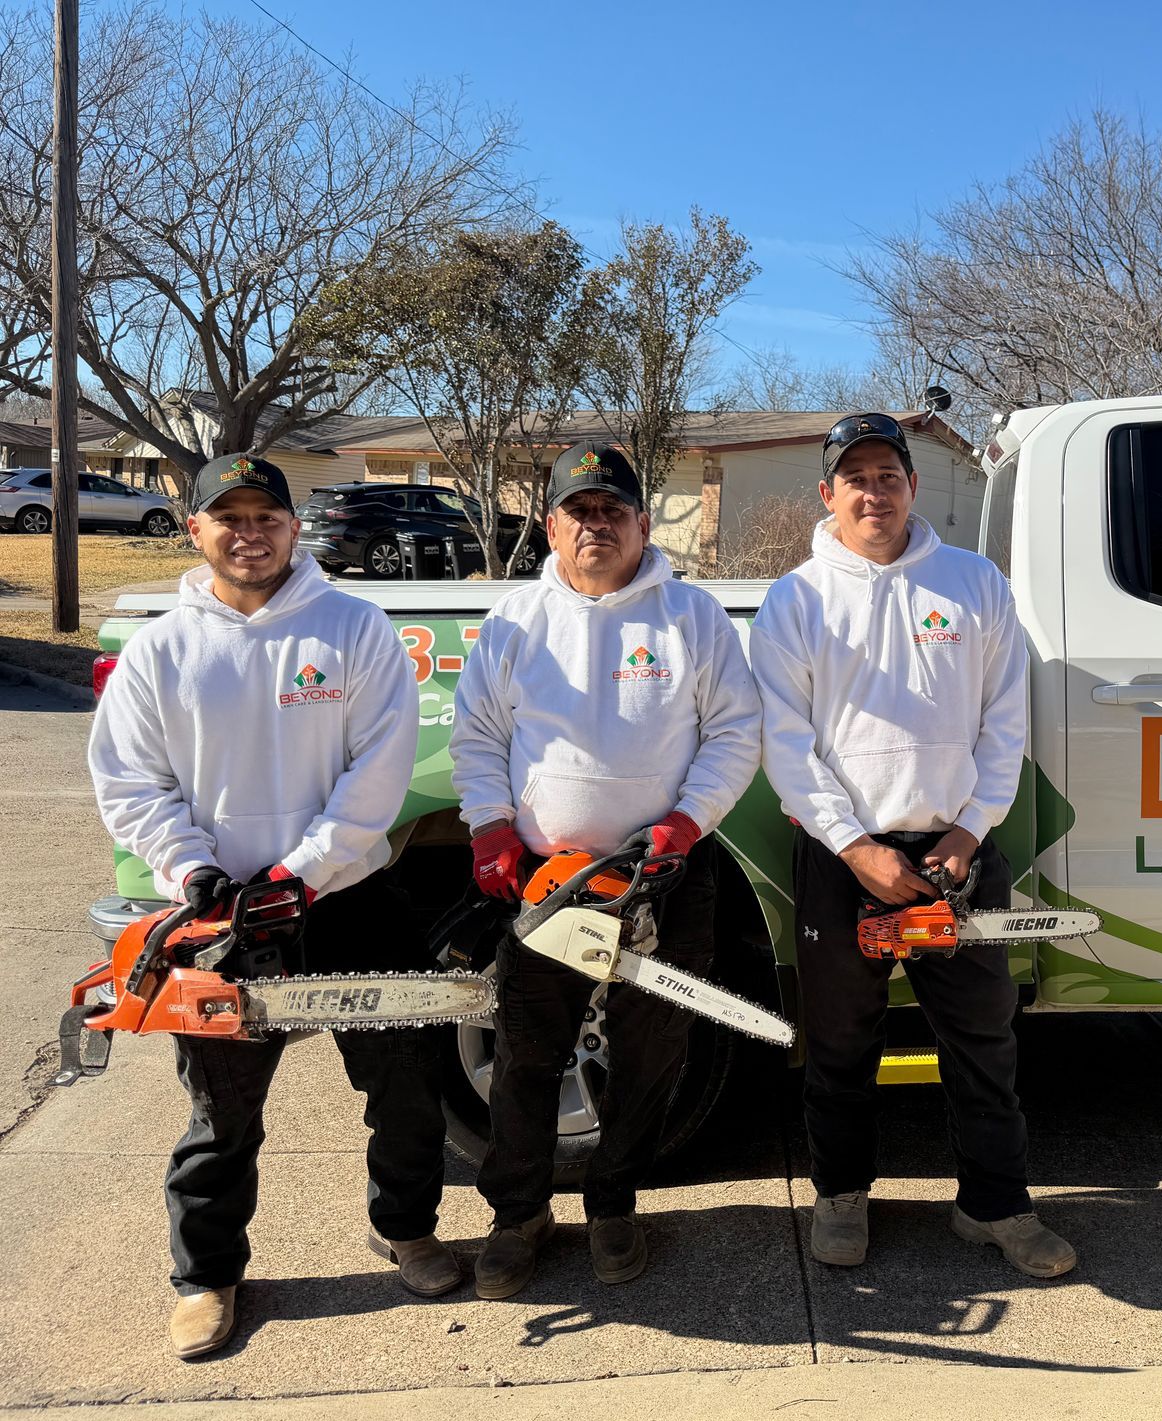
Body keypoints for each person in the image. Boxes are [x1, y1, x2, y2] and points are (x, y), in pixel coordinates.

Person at [89, 453, 456, 1361]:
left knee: (406, 1087)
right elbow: (130, 781)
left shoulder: (355, 628)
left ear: (295, 529)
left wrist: (306, 870)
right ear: (196, 529)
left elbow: (381, 769)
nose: (249, 533)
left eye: (267, 517)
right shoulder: (160, 651)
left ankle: (406, 1230)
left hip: (351, 901)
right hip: (222, 919)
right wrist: (190, 869)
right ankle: (207, 1276)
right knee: (221, 1112)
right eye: (230, 517)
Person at [750, 413, 1075, 1279]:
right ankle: (842, 1198)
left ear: (912, 487)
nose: (873, 491)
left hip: (956, 860)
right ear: (828, 494)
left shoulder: (975, 585)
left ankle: (995, 1206)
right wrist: (858, 850)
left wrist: (970, 831)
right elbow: (786, 744)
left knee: (983, 1044)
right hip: (844, 862)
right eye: (854, 478)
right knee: (841, 1045)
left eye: (888, 475)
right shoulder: (796, 600)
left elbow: (1008, 720)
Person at [450, 442, 761, 1300]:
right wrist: (491, 828)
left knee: (651, 1050)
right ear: (550, 524)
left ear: (639, 521)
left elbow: (735, 733)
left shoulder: (692, 620)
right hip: (547, 879)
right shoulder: (516, 622)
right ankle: (517, 1218)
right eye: (578, 512)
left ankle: (615, 1202)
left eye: (612, 510)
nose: (597, 526)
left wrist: (687, 823)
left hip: (664, 876)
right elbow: (476, 738)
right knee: (525, 1055)